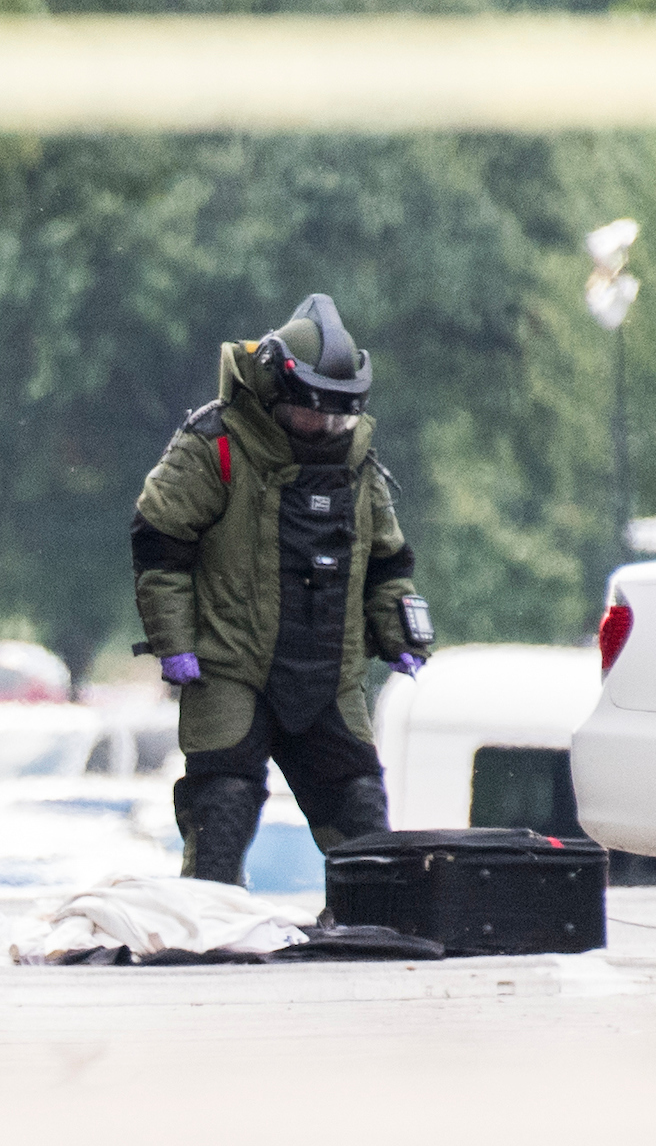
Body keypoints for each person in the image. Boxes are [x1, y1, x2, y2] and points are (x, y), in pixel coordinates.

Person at [129, 294, 434, 884]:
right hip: (230, 666)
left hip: (329, 671)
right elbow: (159, 541)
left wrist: (399, 633)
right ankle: (210, 928)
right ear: (274, 392)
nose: (325, 427)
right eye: (312, 412)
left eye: (340, 415)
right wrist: (174, 642)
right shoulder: (215, 445)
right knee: (222, 806)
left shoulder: (357, 463)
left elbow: (387, 563)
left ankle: (367, 919)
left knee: (360, 810)